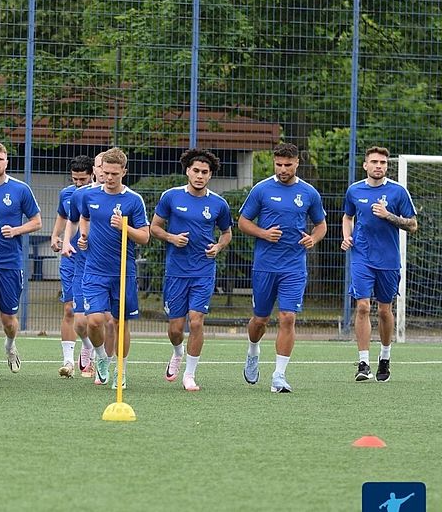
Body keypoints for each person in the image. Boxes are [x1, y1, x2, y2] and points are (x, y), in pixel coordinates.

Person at [239, 142, 326, 393]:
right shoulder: (261, 190)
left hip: (294, 267)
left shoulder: (309, 193)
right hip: (265, 266)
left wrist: (313, 238)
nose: (283, 169)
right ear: (274, 162)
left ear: (297, 163)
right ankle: (253, 351)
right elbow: (243, 222)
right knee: (260, 320)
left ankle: (279, 376)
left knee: (288, 317)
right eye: (279, 164)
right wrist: (263, 233)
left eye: (288, 165)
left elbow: (321, 226)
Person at [150, 149, 233, 391]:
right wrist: (171, 238)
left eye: (204, 172)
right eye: (195, 170)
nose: (199, 176)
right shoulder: (171, 197)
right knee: (175, 329)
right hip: (176, 271)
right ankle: (177, 352)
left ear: (210, 175)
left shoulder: (219, 203)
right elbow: (154, 227)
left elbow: (227, 233)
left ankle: (190, 374)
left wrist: (218, 246)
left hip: (203, 271)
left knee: (196, 322)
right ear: (187, 171)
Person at [341, 146, 417, 382]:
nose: (378, 166)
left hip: (388, 260)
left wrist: (388, 216)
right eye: (374, 161)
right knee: (363, 306)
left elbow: (413, 225)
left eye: (383, 162)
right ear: (365, 165)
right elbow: (347, 216)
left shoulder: (397, 192)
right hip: (362, 256)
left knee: (385, 310)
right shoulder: (354, 190)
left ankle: (385, 357)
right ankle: (363, 363)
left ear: (386, 166)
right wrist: (347, 236)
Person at [78, 148, 150, 388]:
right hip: (94, 270)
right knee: (95, 321)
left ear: (124, 172)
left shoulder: (133, 200)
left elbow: (144, 237)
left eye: (114, 174)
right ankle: (101, 357)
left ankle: (121, 371)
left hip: (123, 271)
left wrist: (124, 227)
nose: (108, 178)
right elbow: (85, 218)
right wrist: (83, 236)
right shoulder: (89, 196)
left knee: (121, 324)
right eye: (105, 172)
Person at [0, 143, 42, 382]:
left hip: (10, 263)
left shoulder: (20, 190)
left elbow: (37, 221)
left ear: (6, 162)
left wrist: (17, 230)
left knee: (8, 320)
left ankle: (10, 345)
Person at [61, 152, 107, 378]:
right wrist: (68, 242)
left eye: (104, 166)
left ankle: (103, 362)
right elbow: (72, 220)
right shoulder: (81, 195)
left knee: (103, 320)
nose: (101, 170)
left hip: (108, 267)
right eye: (99, 166)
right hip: (83, 266)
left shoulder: (123, 197)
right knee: (79, 321)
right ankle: (88, 347)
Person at [50, 155, 93, 378]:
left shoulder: (98, 195)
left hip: (93, 260)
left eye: (82, 179)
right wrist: (56, 236)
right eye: (75, 179)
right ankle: (68, 361)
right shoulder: (67, 193)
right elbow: (63, 216)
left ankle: (89, 348)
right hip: (71, 258)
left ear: (92, 175)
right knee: (69, 309)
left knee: (90, 315)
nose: (78, 183)